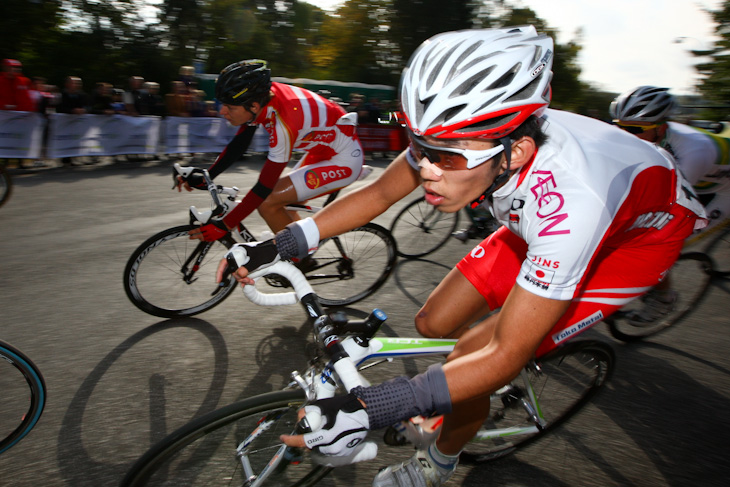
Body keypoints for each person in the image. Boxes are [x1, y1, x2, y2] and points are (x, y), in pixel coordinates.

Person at [215, 27, 706, 487]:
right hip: (534, 214)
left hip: (635, 242)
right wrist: (277, 244)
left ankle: (437, 463)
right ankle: (453, 403)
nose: (426, 170)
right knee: (434, 322)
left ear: (514, 152)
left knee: (477, 354)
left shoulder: (570, 206)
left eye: (446, 158)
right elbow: (381, 192)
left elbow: (503, 355)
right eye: (419, 147)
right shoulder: (466, 135)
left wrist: (373, 406)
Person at [178, 59, 365, 242]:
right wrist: (207, 176)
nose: (222, 112)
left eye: (229, 107)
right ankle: (304, 250)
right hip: (321, 150)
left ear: (254, 107)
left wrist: (226, 225)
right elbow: (240, 144)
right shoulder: (259, 96)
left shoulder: (283, 123)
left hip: (344, 159)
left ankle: (299, 259)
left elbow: (264, 187)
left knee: (268, 203)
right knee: (286, 205)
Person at [610, 86, 730, 324]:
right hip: (703, 180)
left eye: (634, 129)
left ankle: (664, 299)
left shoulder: (695, 152)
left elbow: (664, 203)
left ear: (661, 128)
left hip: (723, 190)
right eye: (618, 126)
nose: (624, 134)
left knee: (660, 244)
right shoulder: (649, 136)